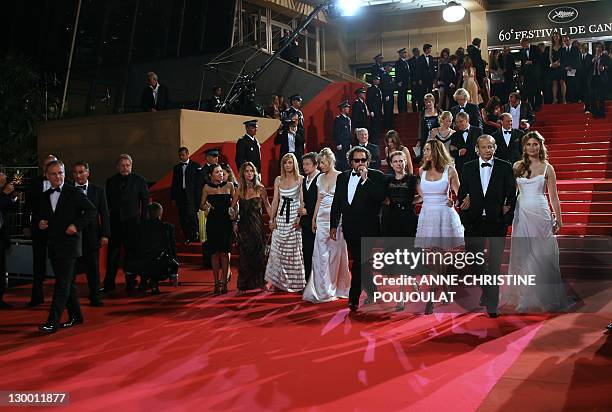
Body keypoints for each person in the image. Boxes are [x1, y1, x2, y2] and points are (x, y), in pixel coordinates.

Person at [506, 131, 574, 312]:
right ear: (524, 147)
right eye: (529, 144)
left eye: (535, 144)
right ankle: (524, 299)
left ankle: (545, 297)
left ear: (541, 146)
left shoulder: (547, 168)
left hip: (541, 212)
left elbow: (553, 196)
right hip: (522, 213)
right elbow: (511, 194)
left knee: (542, 254)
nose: (532, 147)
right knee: (523, 254)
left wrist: (559, 219)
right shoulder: (517, 166)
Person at [458, 135, 516, 318]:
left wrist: (505, 217)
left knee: (494, 265)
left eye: (491, 146)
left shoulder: (505, 166)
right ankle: (488, 290)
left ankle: (492, 304)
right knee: (473, 260)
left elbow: (511, 195)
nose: (488, 150)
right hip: (474, 223)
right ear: (477, 149)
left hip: (496, 223)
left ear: (495, 147)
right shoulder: (467, 167)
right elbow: (462, 194)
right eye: (484, 147)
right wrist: (465, 215)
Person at [36, 160, 97, 333]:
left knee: (62, 284)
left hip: (70, 245)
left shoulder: (73, 192)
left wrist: (76, 226)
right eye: (54, 174)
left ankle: (52, 322)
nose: (58, 176)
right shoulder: (45, 195)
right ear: (47, 176)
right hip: (54, 245)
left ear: (64, 173)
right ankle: (76, 316)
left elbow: (91, 210)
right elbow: (42, 217)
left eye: (60, 173)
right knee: (68, 284)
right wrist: (40, 223)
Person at [330, 146, 385, 312]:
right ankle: (373, 292)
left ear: (368, 161)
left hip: (369, 228)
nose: (360, 163)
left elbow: (380, 197)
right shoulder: (342, 178)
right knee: (364, 264)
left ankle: (353, 298)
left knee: (360, 263)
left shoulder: (376, 176)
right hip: (349, 228)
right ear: (350, 162)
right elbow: (337, 202)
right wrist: (333, 224)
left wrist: (365, 180)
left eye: (363, 160)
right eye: (357, 160)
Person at [414, 139, 463, 314]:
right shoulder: (421, 171)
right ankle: (443, 287)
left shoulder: (450, 170)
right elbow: (422, 195)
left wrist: (454, 201)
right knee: (434, 259)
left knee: (439, 258)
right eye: (424, 149)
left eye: (427, 149)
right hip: (427, 216)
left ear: (435, 151)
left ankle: (433, 294)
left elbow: (460, 194)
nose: (424, 152)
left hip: (444, 215)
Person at [303, 148, 350, 303]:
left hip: (337, 220)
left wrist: (341, 219)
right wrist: (314, 219)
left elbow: (344, 201)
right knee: (320, 256)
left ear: (330, 161)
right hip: (322, 220)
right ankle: (321, 289)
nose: (320, 166)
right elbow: (318, 200)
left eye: (322, 162)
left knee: (336, 255)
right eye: (320, 163)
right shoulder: (319, 178)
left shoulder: (341, 177)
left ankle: (336, 286)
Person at [102, 154, 149, 293]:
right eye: (122, 165)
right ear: (117, 167)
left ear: (131, 166)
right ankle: (109, 284)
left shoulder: (139, 180)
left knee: (132, 255)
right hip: (115, 225)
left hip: (133, 225)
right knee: (112, 257)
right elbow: (106, 205)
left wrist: (143, 223)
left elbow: (145, 203)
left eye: (127, 165)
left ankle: (131, 282)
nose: (125, 168)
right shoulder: (110, 181)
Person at [265, 153, 306, 292]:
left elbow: (302, 201)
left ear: (294, 164)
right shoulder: (278, 180)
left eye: (290, 162)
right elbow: (275, 200)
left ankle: (298, 284)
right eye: (285, 163)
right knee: (278, 250)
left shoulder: (300, 179)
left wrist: (300, 218)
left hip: (294, 217)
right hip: (281, 218)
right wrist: (272, 218)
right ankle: (277, 282)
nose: (287, 165)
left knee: (295, 251)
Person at [72, 162, 110, 306]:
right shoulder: (68, 190)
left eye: (81, 172)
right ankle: (71, 300)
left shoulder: (98, 190)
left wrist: (105, 234)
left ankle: (95, 296)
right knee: (72, 270)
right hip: (73, 235)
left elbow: (104, 214)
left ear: (88, 173)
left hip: (92, 234)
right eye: (75, 172)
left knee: (93, 268)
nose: (78, 175)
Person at [24, 154, 58, 307]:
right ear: (44, 168)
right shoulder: (34, 183)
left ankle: (60, 298)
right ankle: (37, 297)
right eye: (48, 164)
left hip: (57, 231)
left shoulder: (64, 184)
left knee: (58, 264)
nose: (51, 166)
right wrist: (26, 225)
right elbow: (28, 206)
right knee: (38, 264)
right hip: (38, 229)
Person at [233, 162, 271, 295]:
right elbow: (233, 208)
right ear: (243, 174)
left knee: (259, 254)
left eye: (251, 171)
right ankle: (242, 286)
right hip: (243, 225)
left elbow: (267, 206)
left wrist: (274, 220)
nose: (249, 173)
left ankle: (261, 283)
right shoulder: (239, 190)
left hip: (257, 226)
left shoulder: (260, 188)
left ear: (254, 173)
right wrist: (234, 220)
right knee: (244, 255)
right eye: (246, 171)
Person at [200, 164, 235, 294]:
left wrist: (234, 214)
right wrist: (206, 207)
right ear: (211, 175)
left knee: (225, 254)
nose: (220, 174)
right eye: (217, 172)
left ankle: (224, 283)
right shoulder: (207, 188)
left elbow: (234, 203)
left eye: (221, 171)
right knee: (214, 254)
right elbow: (201, 205)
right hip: (213, 224)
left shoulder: (229, 186)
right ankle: (216, 283)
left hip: (226, 223)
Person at [130, 203, 177, 295]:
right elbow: (172, 249)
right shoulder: (168, 228)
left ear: (148, 214)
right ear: (161, 214)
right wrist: (174, 272)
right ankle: (154, 283)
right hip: (160, 265)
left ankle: (144, 281)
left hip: (140, 263)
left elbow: (134, 247)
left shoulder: (139, 227)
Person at [382, 151, 419, 237]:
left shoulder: (412, 178)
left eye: (401, 161)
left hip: (408, 216)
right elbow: (382, 197)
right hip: (391, 217)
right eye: (395, 161)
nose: (398, 164)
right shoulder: (387, 179)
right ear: (391, 164)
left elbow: (422, 196)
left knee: (409, 247)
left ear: (405, 162)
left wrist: (409, 202)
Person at [171, 147, 201, 244]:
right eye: (180, 155)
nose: (181, 157)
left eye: (183, 155)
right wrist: (173, 197)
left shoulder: (195, 166)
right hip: (181, 196)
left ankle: (195, 235)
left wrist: (198, 196)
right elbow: (174, 183)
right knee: (183, 217)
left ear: (188, 154)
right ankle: (187, 236)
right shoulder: (177, 167)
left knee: (192, 215)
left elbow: (198, 183)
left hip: (192, 195)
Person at [300, 153, 321, 283]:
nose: (305, 167)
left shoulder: (320, 178)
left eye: (308, 164)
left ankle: (317, 283)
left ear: (315, 164)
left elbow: (321, 199)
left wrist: (308, 210)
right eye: (303, 164)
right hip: (306, 221)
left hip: (318, 220)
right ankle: (308, 282)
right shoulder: (304, 180)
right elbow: (303, 199)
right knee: (307, 252)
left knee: (317, 253)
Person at [0, 172, 17, 309]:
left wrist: (12, 196)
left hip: (2, 237)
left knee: (1, 269)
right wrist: (4, 194)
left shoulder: (5, 191)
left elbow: (11, 208)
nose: (4, 175)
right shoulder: (3, 192)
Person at [449, 111, 482, 180]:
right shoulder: (454, 135)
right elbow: (451, 151)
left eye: (461, 121)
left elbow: (482, 147)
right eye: (457, 122)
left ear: (467, 120)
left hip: (475, 165)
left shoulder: (478, 131)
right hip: (461, 167)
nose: (458, 124)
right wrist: (458, 152)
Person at [519, 37, 542, 110]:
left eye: (522, 43)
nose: (521, 45)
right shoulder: (522, 52)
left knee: (537, 89)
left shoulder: (535, 48)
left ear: (526, 42)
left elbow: (540, 58)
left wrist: (532, 62)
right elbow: (522, 64)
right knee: (529, 90)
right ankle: (531, 106)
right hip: (527, 74)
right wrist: (522, 75)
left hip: (535, 73)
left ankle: (538, 105)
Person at [590, 42, 610, 119]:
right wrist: (592, 62)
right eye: (597, 47)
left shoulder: (605, 57)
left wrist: (604, 68)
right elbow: (587, 68)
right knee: (592, 96)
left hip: (601, 79)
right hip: (593, 78)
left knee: (601, 97)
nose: (598, 49)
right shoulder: (592, 57)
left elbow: (609, 66)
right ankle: (595, 113)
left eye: (599, 47)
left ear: (602, 48)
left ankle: (601, 113)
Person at [333, 99, 352, 171]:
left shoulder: (348, 119)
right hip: (341, 144)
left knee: (347, 160)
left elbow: (349, 132)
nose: (348, 109)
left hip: (347, 143)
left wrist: (350, 142)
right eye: (347, 107)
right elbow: (336, 132)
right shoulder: (338, 119)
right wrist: (338, 143)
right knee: (341, 160)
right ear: (343, 109)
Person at [416, 43, 436, 110]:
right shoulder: (420, 58)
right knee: (422, 93)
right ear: (426, 49)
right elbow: (418, 69)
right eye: (429, 48)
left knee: (430, 92)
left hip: (430, 78)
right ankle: (421, 107)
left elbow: (432, 68)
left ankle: (430, 106)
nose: (430, 50)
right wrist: (419, 79)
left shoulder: (431, 58)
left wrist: (434, 78)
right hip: (423, 78)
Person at [547, 32, 565, 104]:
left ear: (559, 37)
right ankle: (554, 99)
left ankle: (564, 99)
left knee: (562, 81)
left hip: (561, 65)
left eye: (557, 36)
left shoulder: (562, 45)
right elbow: (550, 56)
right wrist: (552, 63)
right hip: (554, 66)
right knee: (554, 82)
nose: (556, 37)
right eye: (554, 36)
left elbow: (563, 56)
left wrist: (558, 63)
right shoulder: (551, 46)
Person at [560, 35, 580, 103]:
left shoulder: (575, 49)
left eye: (567, 40)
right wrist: (565, 67)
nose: (566, 42)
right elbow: (561, 61)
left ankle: (575, 100)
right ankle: (569, 100)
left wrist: (571, 66)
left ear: (570, 40)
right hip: (565, 71)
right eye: (564, 41)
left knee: (574, 85)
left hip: (574, 70)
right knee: (567, 85)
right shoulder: (562, 50)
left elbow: (577, 60)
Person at [577, 43, 593, 114]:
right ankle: (584, 105)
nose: (582, 50)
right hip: (580, 78)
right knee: (583, 92)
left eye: (583, 48)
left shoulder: (591, 57)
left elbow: (590, 68)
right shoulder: (578, 57)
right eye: (581, 48)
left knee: (588, 93)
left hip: (589, 78)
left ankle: (588, 108)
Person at [366, 75, 383, 140]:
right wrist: (371, 110)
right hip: (374, 110)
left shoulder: (378, 89)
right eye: (376, 80)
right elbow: (369, 100)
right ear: (373, 81)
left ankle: (376, 137)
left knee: (378, 124)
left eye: (378, 80)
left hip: (378, 110)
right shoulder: (371, 89)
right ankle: (373, 138)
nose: (378, 81)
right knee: (374, 125)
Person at [395, 48, 411, 113]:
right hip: (401, 83)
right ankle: (401, 110)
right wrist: (399, 81)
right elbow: (397, 73)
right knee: (401, 97)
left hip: (405, 83)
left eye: (405, 52)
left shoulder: (405, 62)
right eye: (403, 52)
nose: (405, 54)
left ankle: (404, 110)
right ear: (400, 54)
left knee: (404, 97)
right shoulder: (398, 62)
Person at [381, 62, 395, 130]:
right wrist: (386, 95)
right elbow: (384, 86)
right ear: (386, 67)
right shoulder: (384, 75)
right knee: (387, 110)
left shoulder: (388, 75)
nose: (391, 68)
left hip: (390, 95)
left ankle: (390, 125)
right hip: (387, 95)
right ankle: (387, 126)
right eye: (389, 66)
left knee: (390, 110)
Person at [408, 48, 421, 112]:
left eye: (418, 51)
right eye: (416, 51)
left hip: (421, 81)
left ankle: (421, 109)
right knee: (414, 96)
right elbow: (410, 72)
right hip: (414, 81)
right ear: (413, 52)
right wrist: (413, 80)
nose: (418, 52)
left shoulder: (421, 59)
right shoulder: (410, 61)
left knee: (420, 96)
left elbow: (422, 71)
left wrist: (421, 79)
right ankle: (414, 110)